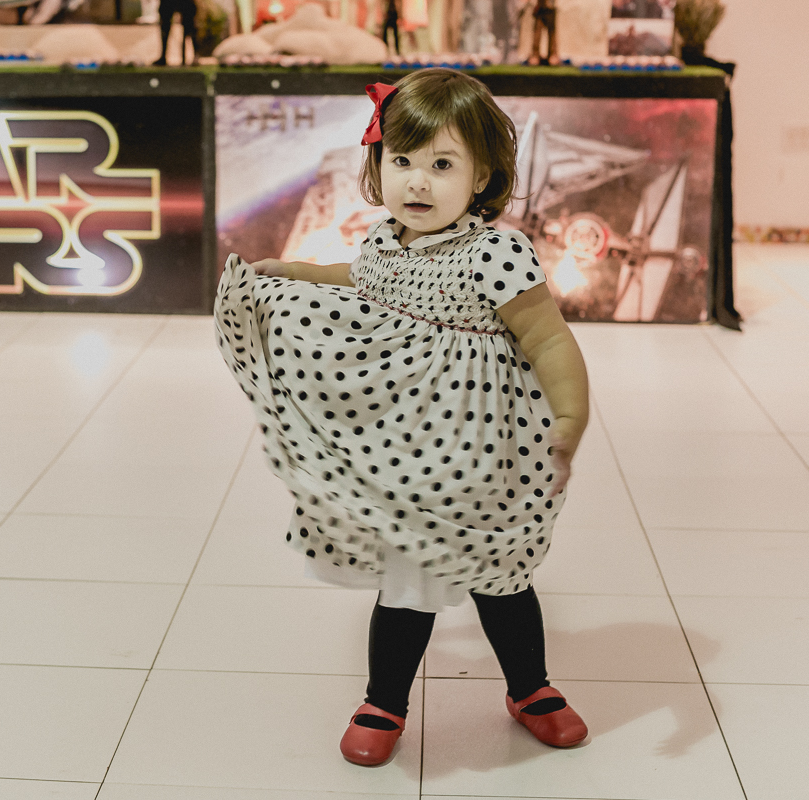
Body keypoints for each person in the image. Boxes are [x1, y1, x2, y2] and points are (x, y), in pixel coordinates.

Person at [214, 68, 590, 767]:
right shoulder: (386, 241)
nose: (417, 182)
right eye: (402, 161)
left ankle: (529, 686)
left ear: (482, 177)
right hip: (407, 450)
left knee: (500, 578)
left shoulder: (496, 253)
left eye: (442, 165)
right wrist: (293, 274)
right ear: (378, 165)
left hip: (482, 453)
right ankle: (384, 698)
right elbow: (358, 282)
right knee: (408, 579)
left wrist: (569, 418)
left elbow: (547, 338)